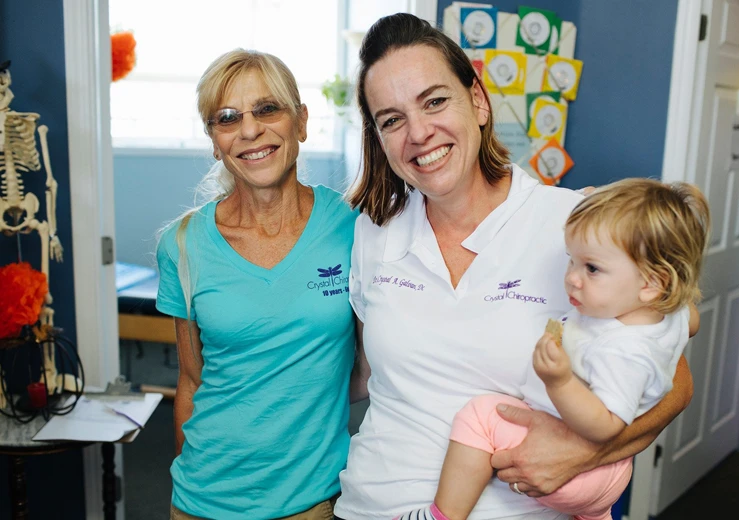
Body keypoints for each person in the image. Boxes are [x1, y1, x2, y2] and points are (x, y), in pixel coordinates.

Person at [334, 13, 695, 520]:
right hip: (374, 505)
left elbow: (675, 382)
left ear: (478, 102)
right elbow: (367, 373)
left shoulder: (573, 225)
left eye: (435, 101)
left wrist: (586, 453)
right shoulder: (372, 232)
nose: (418, 132)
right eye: (391, 119)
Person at [393, 179, 709, 520]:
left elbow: (606, 427)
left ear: (651, 284)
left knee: (482, 415)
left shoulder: (623, 351)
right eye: (572, 260)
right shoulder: (668, 314)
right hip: (608, 482)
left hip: (578, 471)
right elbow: (691, 319)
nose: (572, 277)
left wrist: (560, 382)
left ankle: (442, 515)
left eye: (592, 268)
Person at [156, 49, 357, 520]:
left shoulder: (352, 229)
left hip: (312, 502)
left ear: (301, 122)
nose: (249, 130)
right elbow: (191, 380)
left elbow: (372, 363)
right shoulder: (181, 245)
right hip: (202, 499)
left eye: (268, 109)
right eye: (228, 118)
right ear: (214, 140)